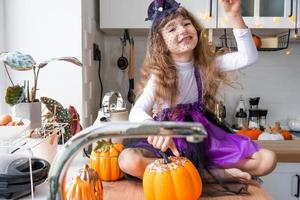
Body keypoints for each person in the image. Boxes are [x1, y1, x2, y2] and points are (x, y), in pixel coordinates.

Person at [118, 0, 276, 183]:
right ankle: (212, 175)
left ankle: (199, 172)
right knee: (128, 161)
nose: (183, 30)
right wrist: (156, 129)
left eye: (186, 24)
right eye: (171, 29)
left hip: (200, 134)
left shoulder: (207, 65)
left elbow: (249, 57)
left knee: (267, 160)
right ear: (160, 42)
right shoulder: (160, 75)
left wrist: (234, 16)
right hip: (170, 138)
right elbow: (136, 111)